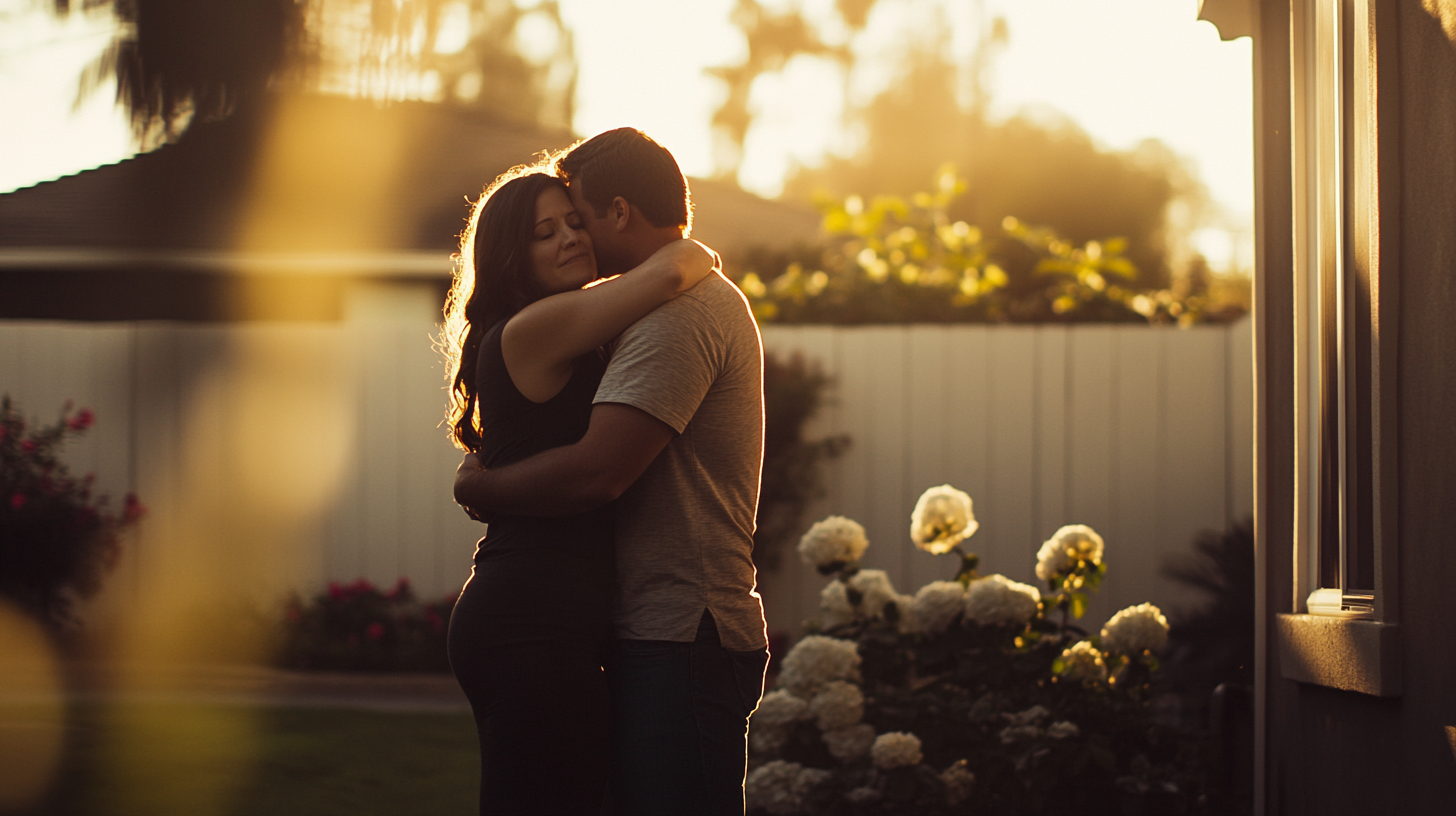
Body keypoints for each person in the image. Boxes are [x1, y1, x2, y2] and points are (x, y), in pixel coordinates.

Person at [454, 128, 770, 816]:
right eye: (548, 231)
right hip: (550, 618)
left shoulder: (674, 316)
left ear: (618, 213)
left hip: (675, 626)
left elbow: (599, 474)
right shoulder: (583, 319)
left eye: (578, 219)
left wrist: (480, 486)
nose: (576, 239)